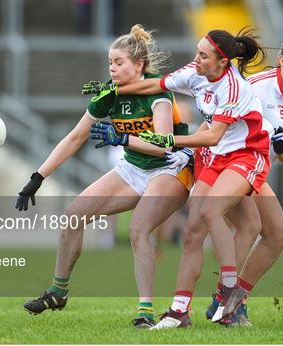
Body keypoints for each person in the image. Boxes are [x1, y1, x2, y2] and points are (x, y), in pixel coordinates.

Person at [83, 27, 270, 328]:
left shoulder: (234, 89)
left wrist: (167, 141)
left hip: (244, 155)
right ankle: (179, 312)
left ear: (222, 62)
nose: (196, 59)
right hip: (213, 156)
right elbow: (154, 85)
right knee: (192, 233)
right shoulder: (195, 71)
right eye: (197, 51)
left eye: (203, 55)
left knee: (212, 211)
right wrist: (114, 90)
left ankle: (230, 290)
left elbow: (211, 136)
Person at [16, 24, 193, 329]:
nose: (112, 68)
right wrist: (38, 176)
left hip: (170, 168)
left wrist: (122, 139)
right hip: (133, 168)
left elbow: (164, 145)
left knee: (138, 229)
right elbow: (75, 137)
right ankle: (58, 291)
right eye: (110, 62)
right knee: (74, 215)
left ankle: (145, 311)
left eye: (119, 62)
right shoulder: (109, 94)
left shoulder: (157, 91)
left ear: (139, 65)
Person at [204, 33, 283, 326]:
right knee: (250, 228)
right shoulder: (257, 85)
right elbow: (215, 115)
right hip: (229, 161)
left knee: (278, 234)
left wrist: (282, 147)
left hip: (254, 170)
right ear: (282, 61)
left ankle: (233, 300)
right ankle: (224, 301)